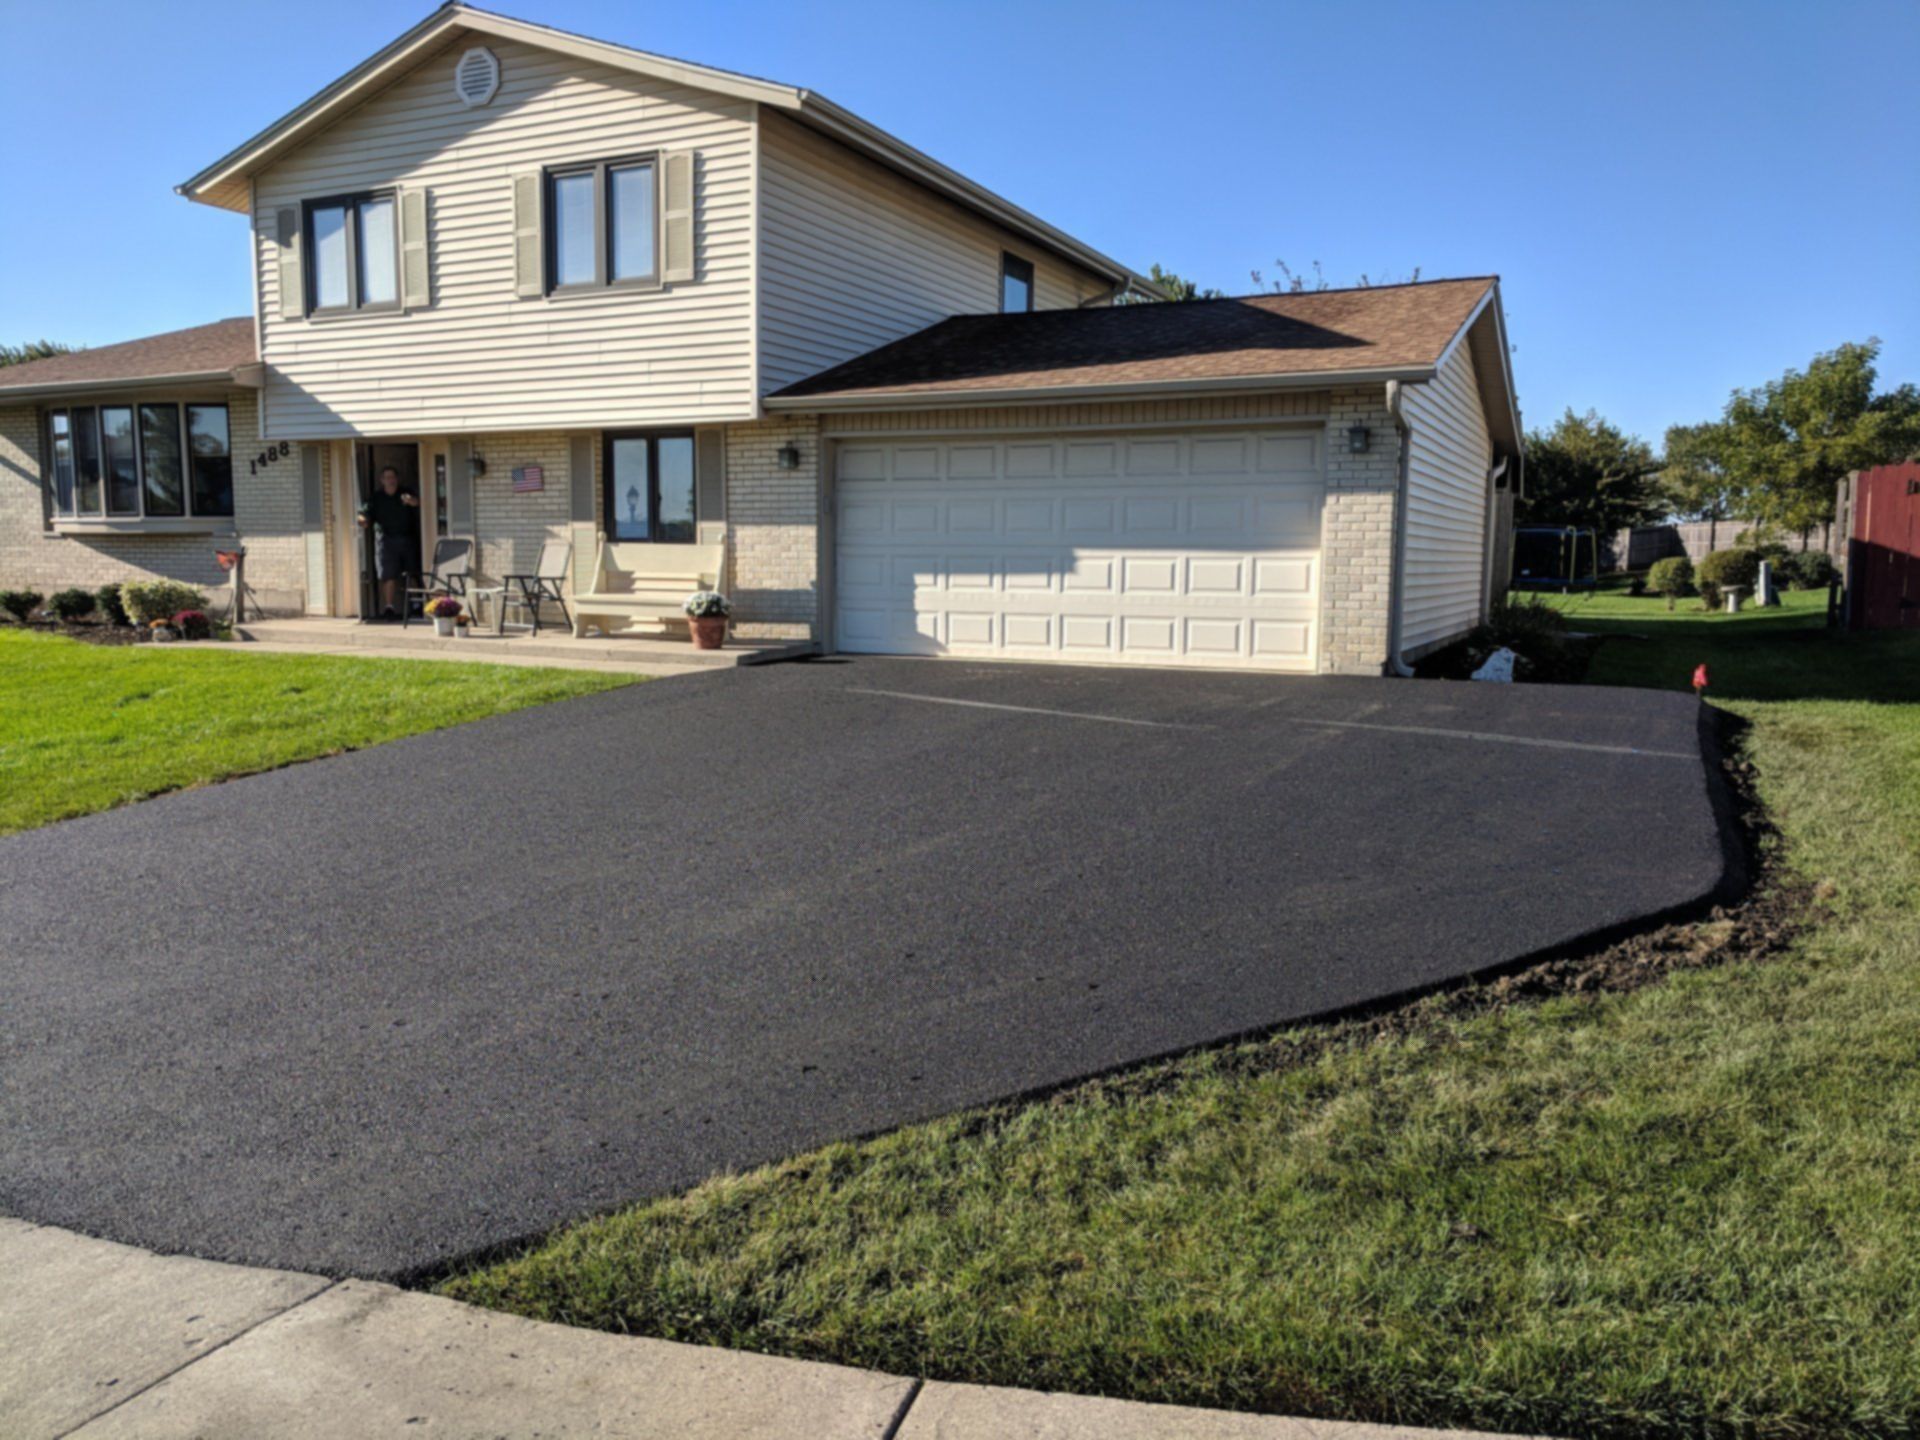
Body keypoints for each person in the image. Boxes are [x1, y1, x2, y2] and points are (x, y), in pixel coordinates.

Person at [357, 466, 420, 620]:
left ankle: (417, 605)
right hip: (385, 540)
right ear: (382, 480)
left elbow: (417, 502)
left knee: (412, 572)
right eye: (387, 478)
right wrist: (363, 521)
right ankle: (389, 608)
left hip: (406, 538)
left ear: (397, 479)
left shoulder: (405, 493)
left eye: (393, 477)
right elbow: (362, 514)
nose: (390, 480)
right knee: (388, 574)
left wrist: (411, 501)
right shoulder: (376, 497)